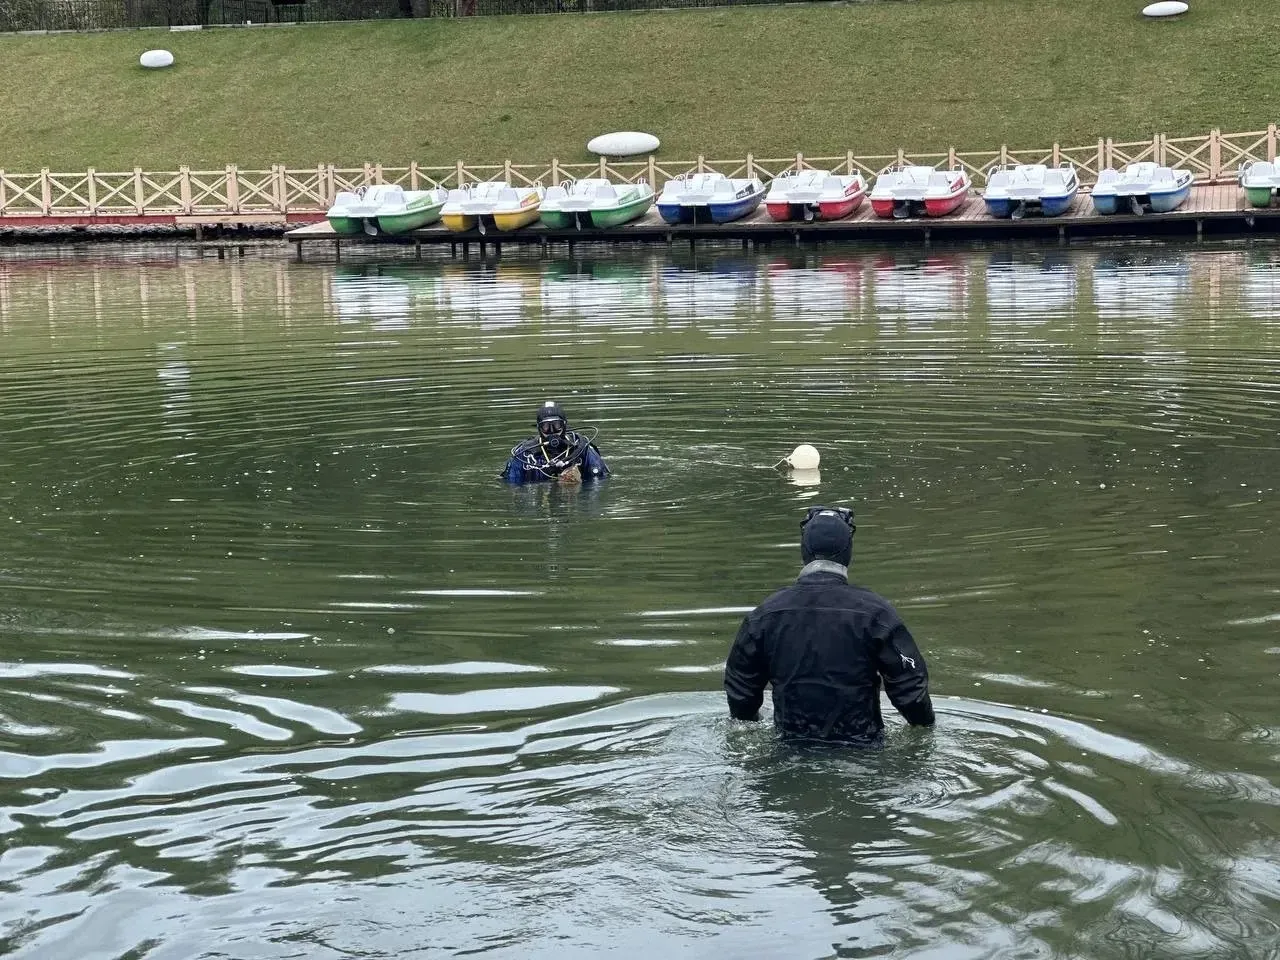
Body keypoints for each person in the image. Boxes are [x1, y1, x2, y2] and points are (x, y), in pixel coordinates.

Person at [724, 505, 934, 746]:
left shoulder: (764, 615)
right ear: (847, 552)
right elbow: (911, 691)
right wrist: (925, 727)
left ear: (804, 551)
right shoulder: (876, 614)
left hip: (789, 746)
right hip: (861, 749)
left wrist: (749, 720)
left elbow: (740, 692)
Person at [502, 400, 610, 485]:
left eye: (557, 425)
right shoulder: (525, 454)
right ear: (539, 428)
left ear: (564, 425)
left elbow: (600, 480)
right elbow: (512, 485)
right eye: (546, 427)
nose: (552, 431)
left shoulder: (581, 448)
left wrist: (578, 484)